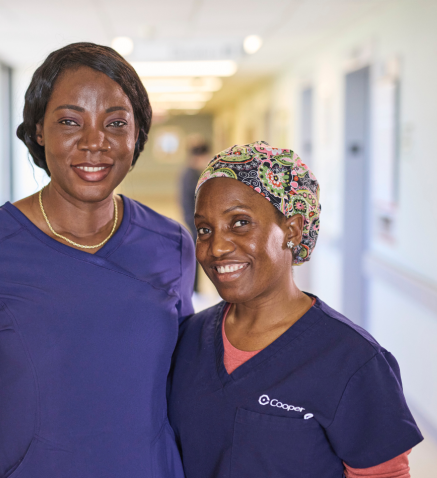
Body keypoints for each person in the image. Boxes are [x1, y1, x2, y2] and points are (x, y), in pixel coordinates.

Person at [0, 42, 194, 478]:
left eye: (116, 123)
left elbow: (178, 386)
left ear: (137, 133)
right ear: (38, 132)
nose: (94, 142)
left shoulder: (171, 243)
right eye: (70, 121)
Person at [167, 141, 423, 478]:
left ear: (292, 229)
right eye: (204, 229)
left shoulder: (353, 361)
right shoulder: (187, 339)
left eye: (240, 222)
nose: (216, 246)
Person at [179, 140, 211, 292]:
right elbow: (188, 203)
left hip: (198, 224)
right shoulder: (190, 175)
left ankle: (196, 289)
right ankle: (194, 290)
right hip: (194, 223)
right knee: (195, 258)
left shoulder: (195, 173)